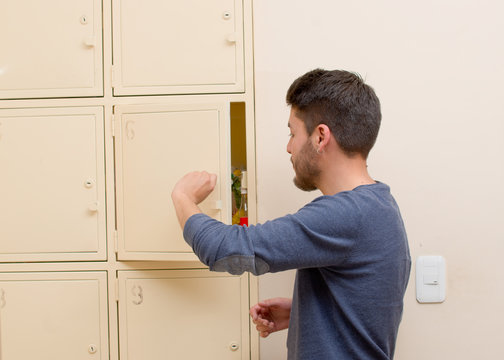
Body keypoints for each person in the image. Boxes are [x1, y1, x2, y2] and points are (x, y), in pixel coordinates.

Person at [171, 69, 411, 359]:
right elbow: (367, 307)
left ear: (320, 136)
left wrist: (182, 197)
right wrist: (303, 313)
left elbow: (224, 249)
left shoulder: (346, 215)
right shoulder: (380, 205)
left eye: (292, 133)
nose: (288, 147)